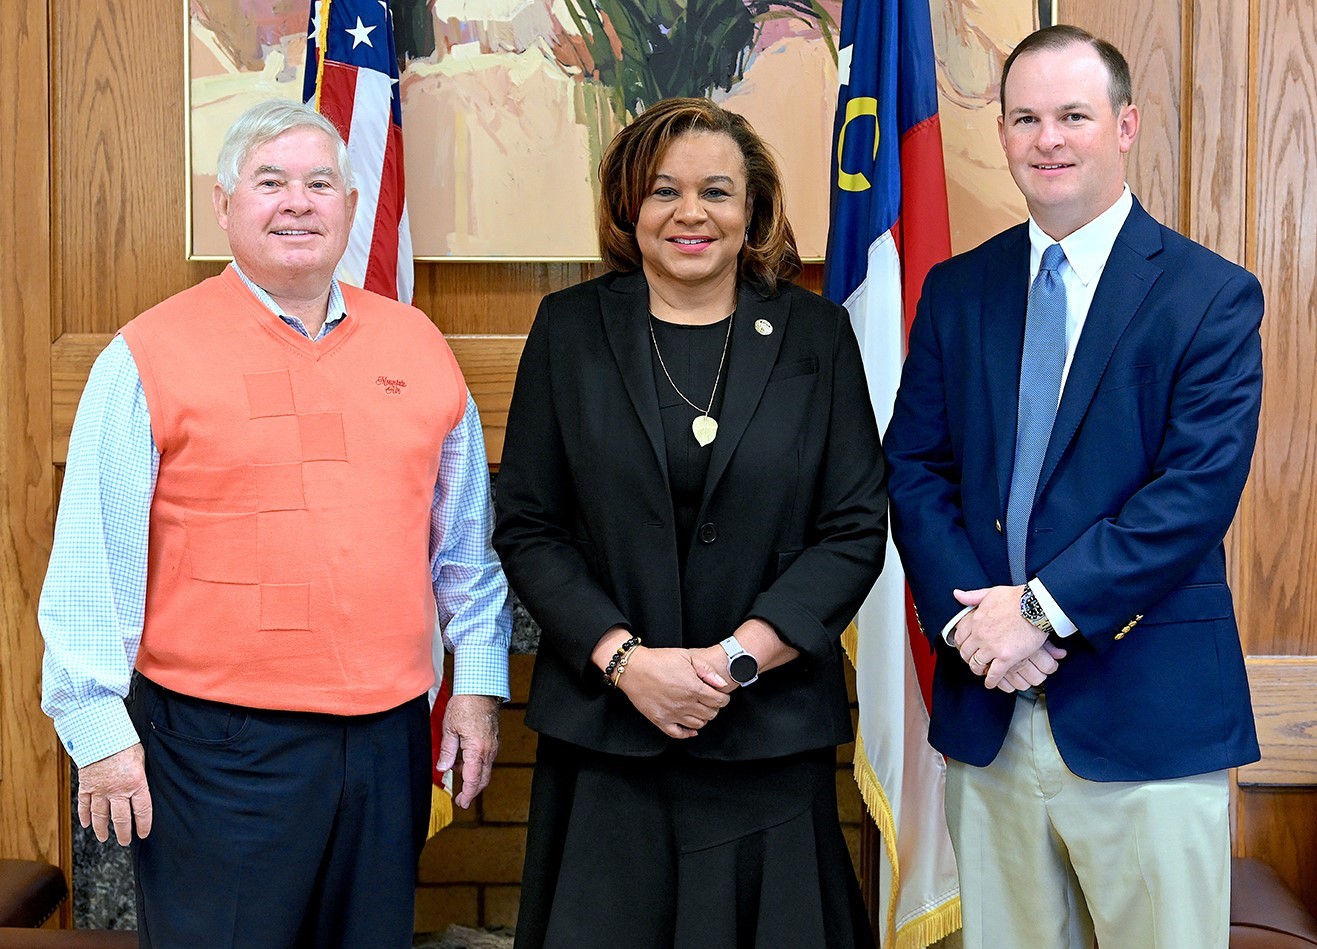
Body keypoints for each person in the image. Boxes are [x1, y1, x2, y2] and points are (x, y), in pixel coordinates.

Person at [38, 100, 511, 948]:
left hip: (388, 739)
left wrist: (473, 687)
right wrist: (99, 734)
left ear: (351, 207)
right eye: (270, 182)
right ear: (224, 205)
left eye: (319, 183)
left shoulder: (417, 345)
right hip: (218, 747)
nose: (298, 202)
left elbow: (464, 548)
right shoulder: (147, 355)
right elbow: (92, 562)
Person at [884, 24, 1263, 949]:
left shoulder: (1208, 294)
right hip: (989, 708)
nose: (1046, 139)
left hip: (1146, 715)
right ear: (1002, 134)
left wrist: (1038, 612)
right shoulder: (957, 290)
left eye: (1072, 116)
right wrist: (976, 630)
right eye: (1024, 118)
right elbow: (914, 467)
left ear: (1124, 126)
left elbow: (1191, 494)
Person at [493, 97, 886, 948]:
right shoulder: (568, 330)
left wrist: (733, 661)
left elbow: (854, 528)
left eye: (716, 191)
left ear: (752, 209)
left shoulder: (817, 335)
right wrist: (625, 661)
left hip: (766, 734)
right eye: (663, 191)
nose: (690, 214)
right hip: (606, 737)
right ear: (628, 207)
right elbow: (528, 525)